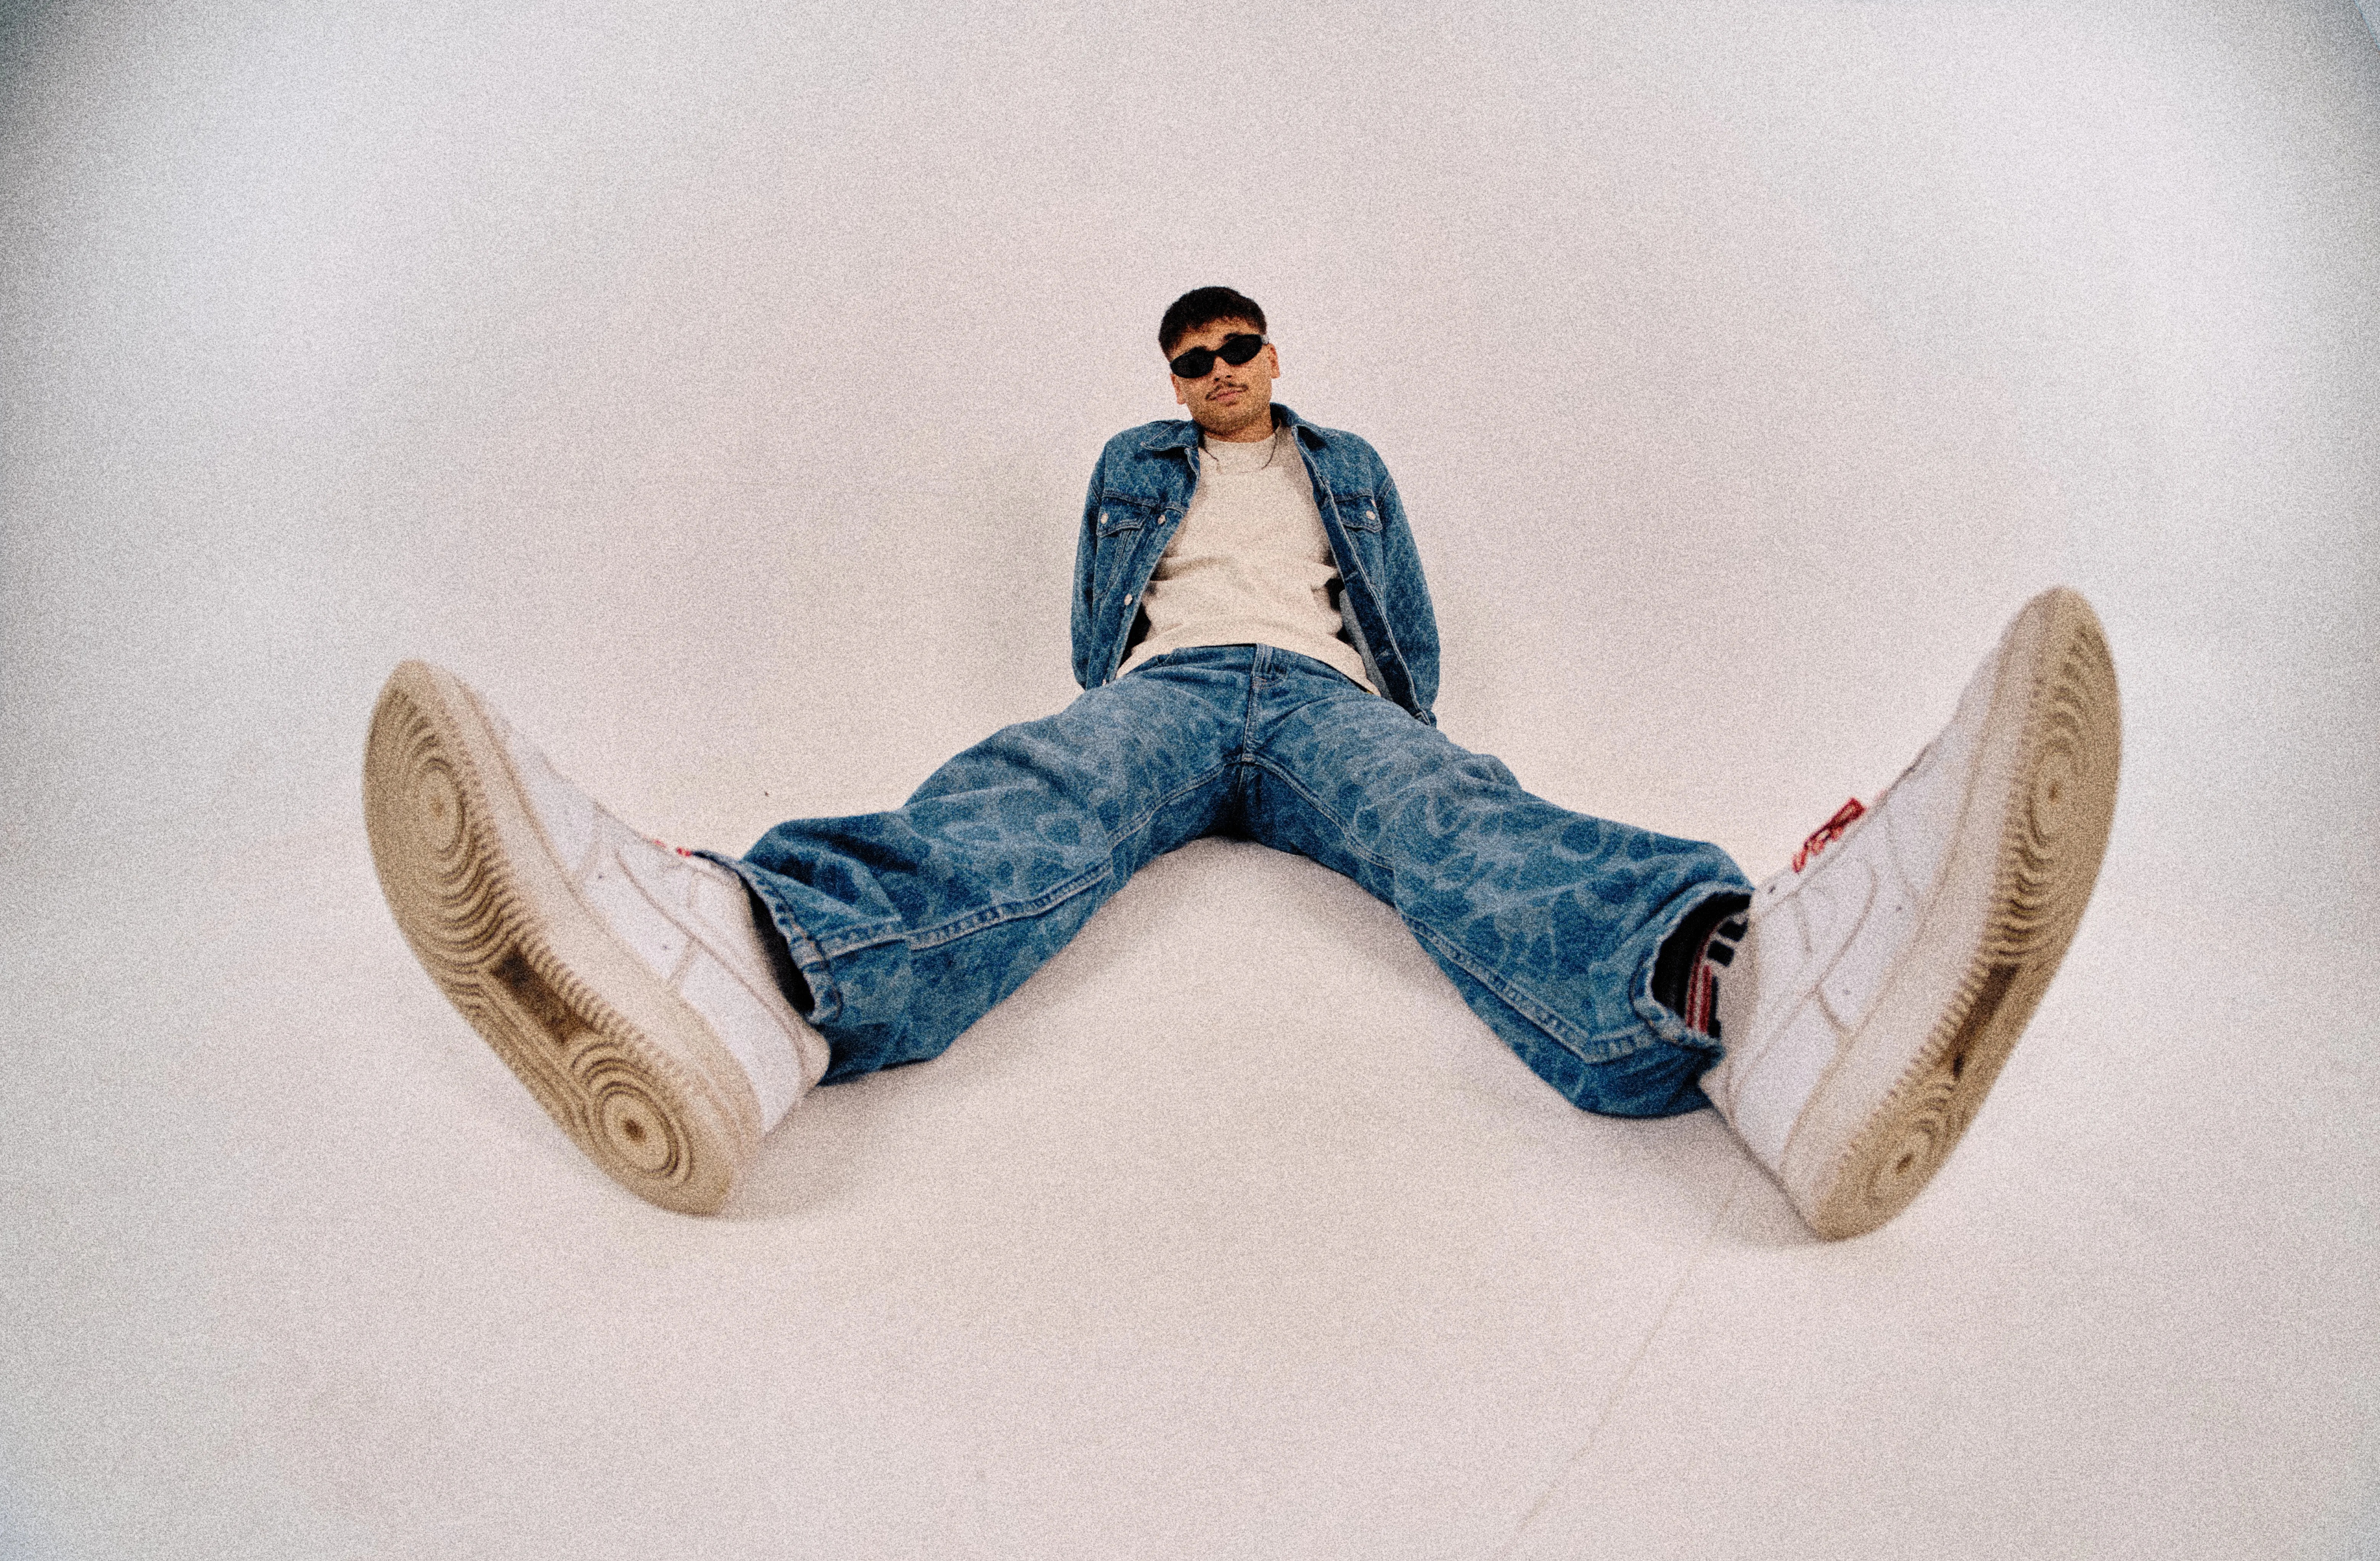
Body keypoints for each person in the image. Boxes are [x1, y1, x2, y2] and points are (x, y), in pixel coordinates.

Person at [362, 286, 2121, 1238]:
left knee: (1457, 815)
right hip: (1179, 687)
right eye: (1185, 359)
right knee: (1034, 789)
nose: (1209, 375)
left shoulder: (1344, 466)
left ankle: (1743, 990)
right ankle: (753, 974)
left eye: (1232, 349)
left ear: (1278, 355)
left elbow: (1409, 627)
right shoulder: (1140, 467)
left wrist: (1386, 712)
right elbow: (1087, 630)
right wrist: (1132, 695)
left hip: (1323, 695)